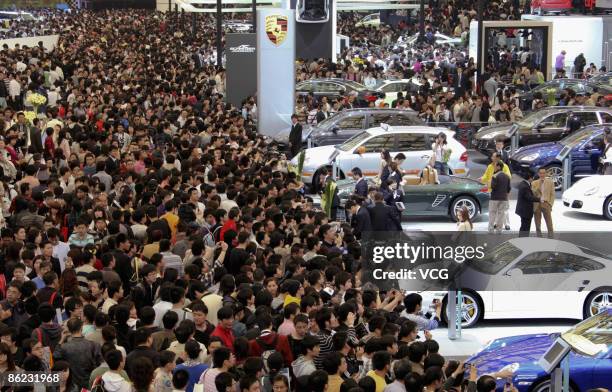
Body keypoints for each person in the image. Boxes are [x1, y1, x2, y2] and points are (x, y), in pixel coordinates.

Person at [54, 318, 103, 390]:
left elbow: (55, 356)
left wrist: (61, 339)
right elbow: (99, 364)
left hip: (71, 384)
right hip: (89, 383)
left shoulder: (64, 347)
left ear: (69, 330)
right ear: (81, 327)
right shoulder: (94, 345)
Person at [532, 167, 555, 238]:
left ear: (546, 173)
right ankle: (539, 237)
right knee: (537, 223)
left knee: (549, 223)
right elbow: (533, 194)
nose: (542, 175)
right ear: (538, 174)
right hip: (537, 204)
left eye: (544, 173)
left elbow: (552, 194)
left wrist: (550, 204)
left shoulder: (550, 182)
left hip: (546, 203)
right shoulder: (534, 183)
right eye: (541, 173)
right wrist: (538, 186)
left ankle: (551, 237)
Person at [488, 161, 511, 234]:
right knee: (501, 215)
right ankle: (499, 230)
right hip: (504, 198)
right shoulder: (507, 176)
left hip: (494, 198)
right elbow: (509, 188)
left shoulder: (495, 176)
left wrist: (490, 182)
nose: (494, 167)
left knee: (492, 214)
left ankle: (491, 230)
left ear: (498, 167)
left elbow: (492, 186)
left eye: (495, 166)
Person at [515, 171, 540, 236]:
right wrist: (540, 199)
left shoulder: (523, 183)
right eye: (533, 178)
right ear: (530, 178)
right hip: (525, 211)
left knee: (523, 226)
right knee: (526, 227)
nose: (533, 179)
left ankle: (522, 239)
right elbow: (529, 197)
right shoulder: (525, 186)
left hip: (522, 210)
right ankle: (523, 240)